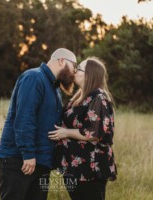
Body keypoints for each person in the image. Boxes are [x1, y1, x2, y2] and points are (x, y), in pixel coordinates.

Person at [0, 48, 77, 200]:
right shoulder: (34, 77)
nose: (74, 72)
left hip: (40, 162)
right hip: (19, 160)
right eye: (74, 67)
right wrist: (28, 153)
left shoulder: (55, 89)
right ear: (62, 61)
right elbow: (25, 118)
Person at [49, 57, 117, 200]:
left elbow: (94, 132)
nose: (75, 70)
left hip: (90, 169)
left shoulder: (98, 98)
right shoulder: (80, 97)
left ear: (89, 74)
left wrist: (65, 132)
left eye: (79, 68)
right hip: (74, 168)